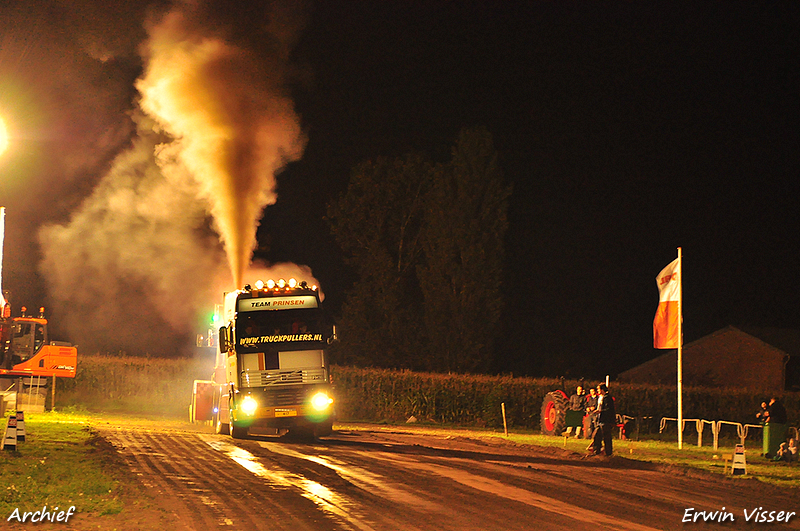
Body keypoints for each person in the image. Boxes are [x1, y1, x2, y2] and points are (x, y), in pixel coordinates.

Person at [590, 383, 616, 457]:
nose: (597, 390)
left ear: (602, 389)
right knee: (597, 435)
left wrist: (600, 411)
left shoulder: (607, 398)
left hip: (606, 420)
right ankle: (596, 451)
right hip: (600, 419)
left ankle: (608, 453)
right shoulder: (600, 397)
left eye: (598, 389)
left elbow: (609, 409)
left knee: (606, 437)